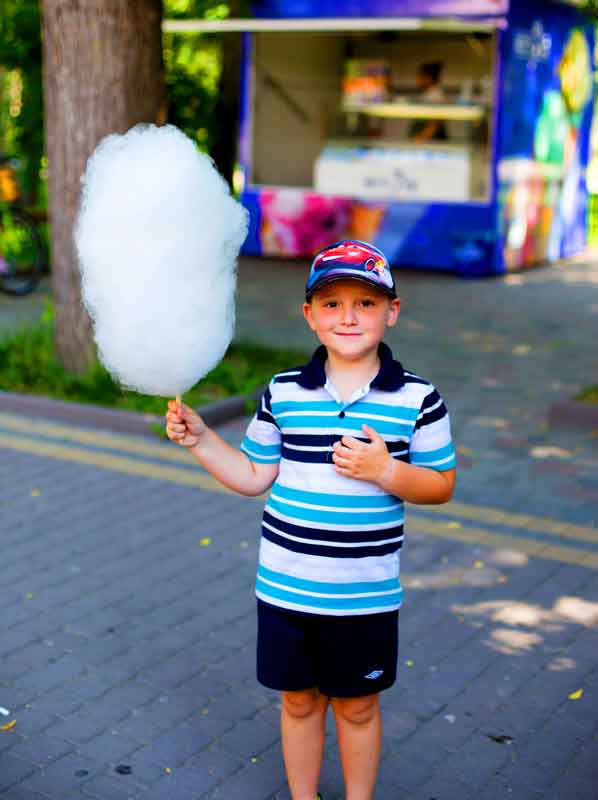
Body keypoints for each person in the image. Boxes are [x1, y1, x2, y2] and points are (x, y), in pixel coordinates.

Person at [165, 239, 457, 800]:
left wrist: (386, 472)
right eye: (331, 303)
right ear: (309, 315)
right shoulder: (283, 392)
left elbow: (441, 485)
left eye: (366, 303)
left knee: (357, 707)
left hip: (363, 598)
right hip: (286, 590)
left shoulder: (419, 398)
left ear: (392, 312)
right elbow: (253, 475)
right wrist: (201, 439)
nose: (348, 316)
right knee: (298, 702)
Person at [409, 61, 448, 143]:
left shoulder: (436, 96)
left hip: (432, 143)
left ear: (428, 78)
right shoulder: (428, 94)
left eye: (419, 76)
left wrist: (419, 140)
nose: (417, 80)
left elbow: (434, 125)